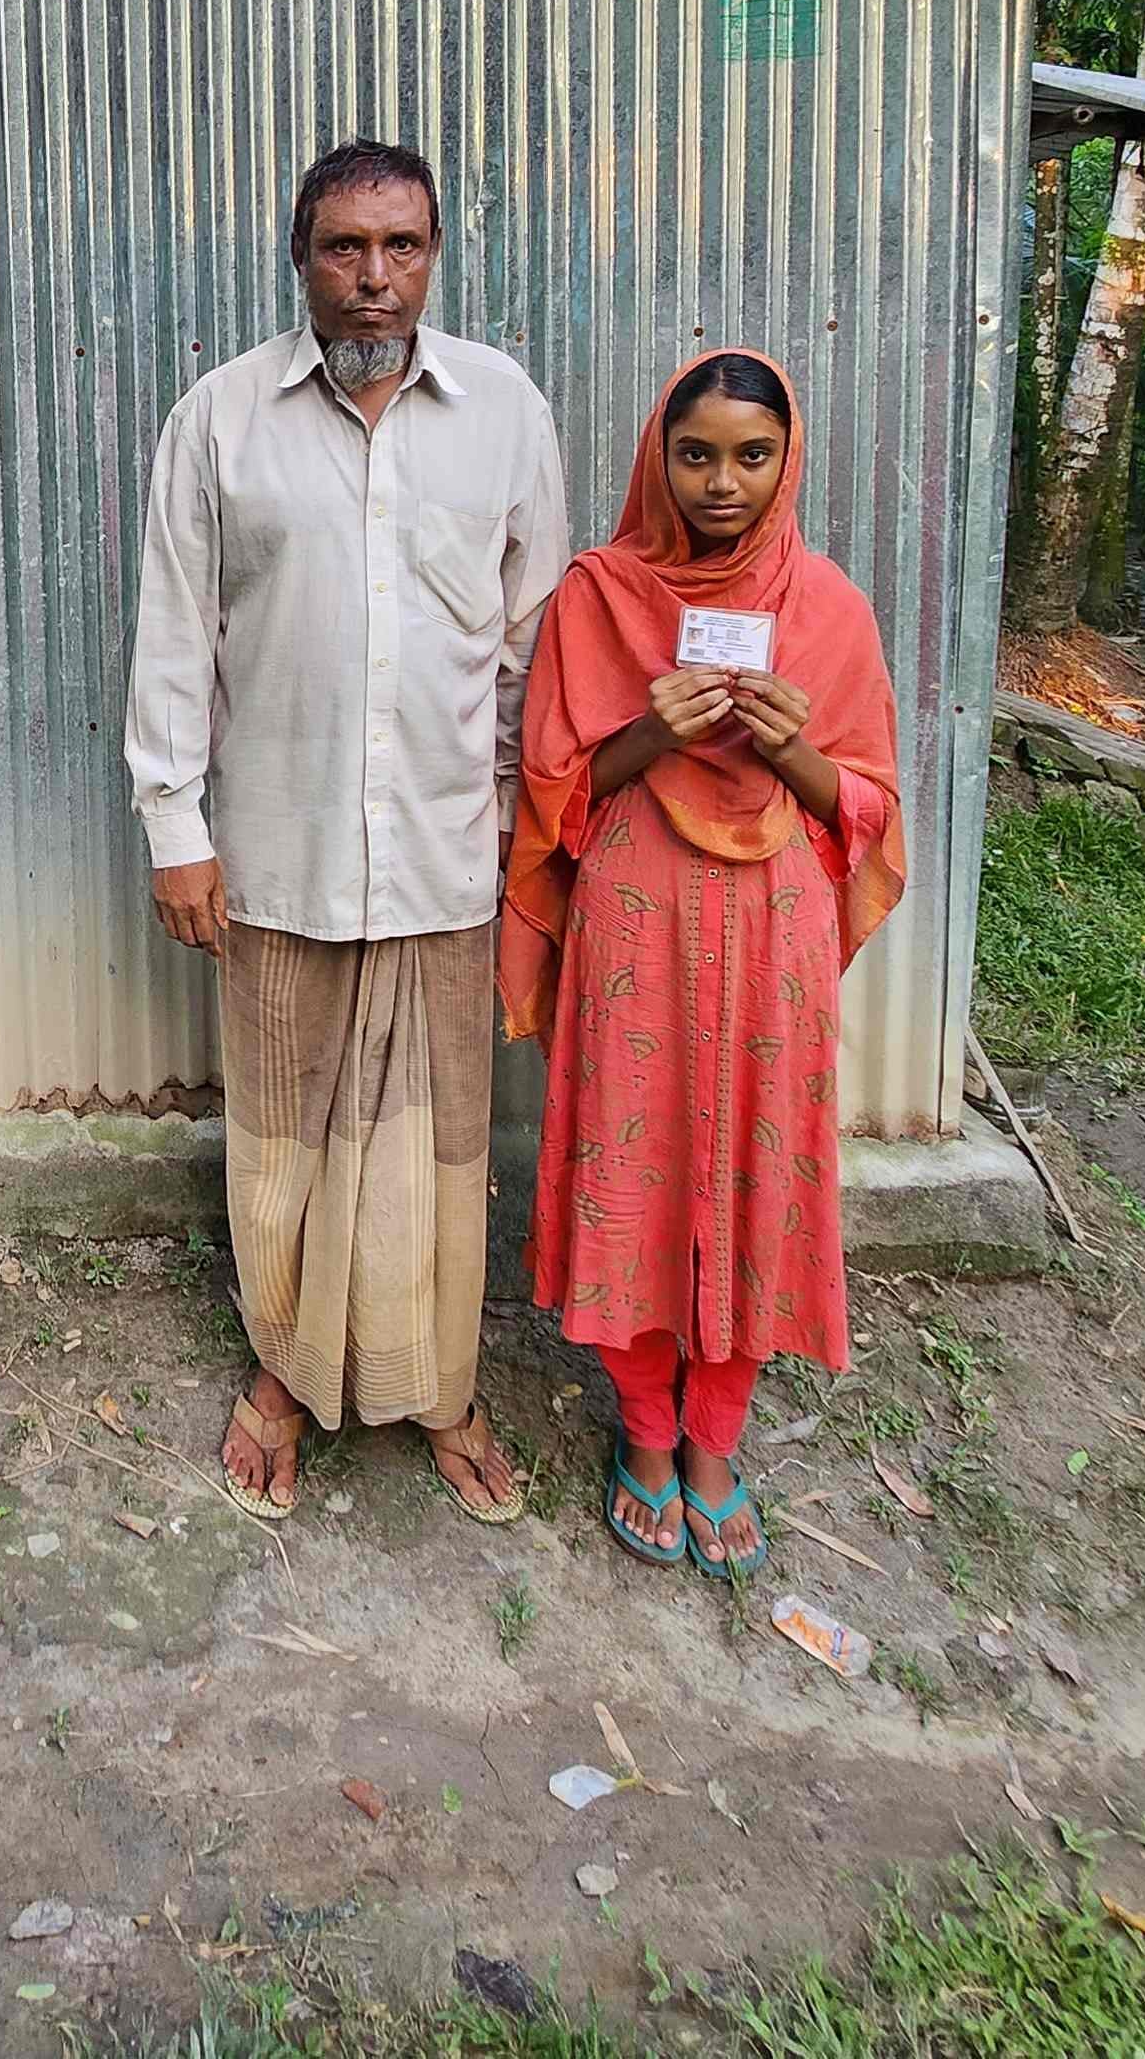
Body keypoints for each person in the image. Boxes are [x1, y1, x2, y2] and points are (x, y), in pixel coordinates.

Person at [124, 139, 570, 1527]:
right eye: (344, 248)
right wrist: (173, 825)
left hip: (447, 860)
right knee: (281, 1141)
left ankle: (441, 1386)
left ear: (436, 253)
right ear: (300, 256)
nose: (375, 279)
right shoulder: (220, 420)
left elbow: (530, 651)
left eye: (403, 247)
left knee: (438, 1149)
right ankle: (284, 1382)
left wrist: (523, 839)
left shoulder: (502, 411)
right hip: (278, 853)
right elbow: (174, 638)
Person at [499, 350, 907, 1580]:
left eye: (751, 455)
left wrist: (793, 756)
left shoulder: (826, 604)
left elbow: (869, 802)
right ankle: (643, 1432)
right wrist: (645, 731)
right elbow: (552, 791)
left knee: (752, 1163)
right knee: (637, 1155)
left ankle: (717, 1443)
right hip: (635, 911)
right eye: (696, 454)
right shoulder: (597, 595)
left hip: (771, 925)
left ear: (788, 463)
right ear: (656, 458)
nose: (721, 483)